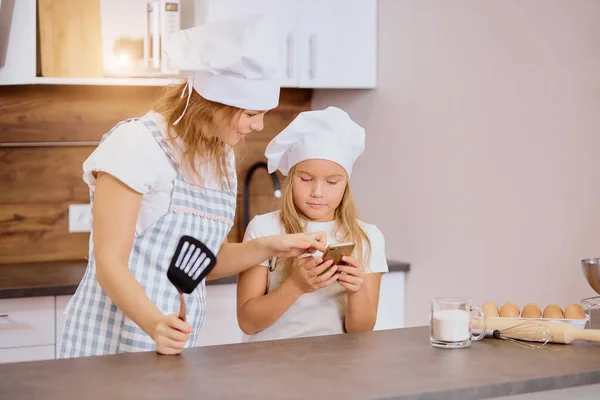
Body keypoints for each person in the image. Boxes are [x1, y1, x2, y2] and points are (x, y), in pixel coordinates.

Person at [59, 15, 326, 358]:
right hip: (108, 344)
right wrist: (155, 323)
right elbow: (109, 263)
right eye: (250, 113)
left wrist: (273, 246)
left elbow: (204, 261)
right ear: (213, 104)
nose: (258, 125)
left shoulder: (219, 158)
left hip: (170, 347)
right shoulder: (136, 144)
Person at [236, 107, 388, 342]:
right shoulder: (264, 229)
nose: (317, 192)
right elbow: (248, 322)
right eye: (306, 179)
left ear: (346, 184)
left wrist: (356, 291)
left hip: (335, 367)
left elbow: (362, 332)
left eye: (331, 182)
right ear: (290, 177)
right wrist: (295, 285)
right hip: (268, 366)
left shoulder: (368, 237)